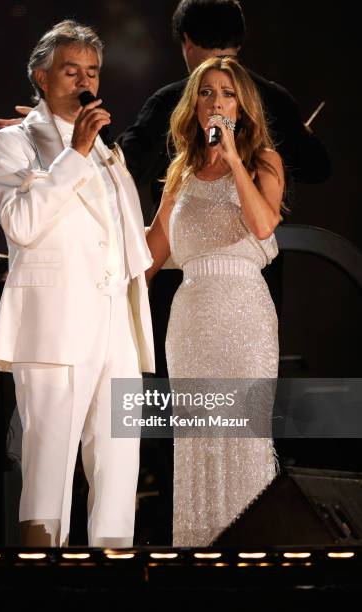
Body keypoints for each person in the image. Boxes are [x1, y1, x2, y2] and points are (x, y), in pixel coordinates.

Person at [0, 19, 155, 548]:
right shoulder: (10, 143)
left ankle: (113, 581)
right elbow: (23, 224)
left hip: (116, 328)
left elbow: (130, 244)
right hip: (55, 329)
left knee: (119, 469)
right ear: (41, 75)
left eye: (93, 72)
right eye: (70, 70)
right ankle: (39, 586)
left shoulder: (110, 154)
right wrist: (74, 152)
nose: (84, 81)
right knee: (48, 470)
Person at [145, 55, 284, 546]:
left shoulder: (262, 161)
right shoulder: (179, 172)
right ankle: (199, 560)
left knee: (243, 436)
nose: (216, 102)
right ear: (194, 104)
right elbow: (149, 257)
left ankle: (254, 553)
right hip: (190, 319)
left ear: (241, 106)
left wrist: (231, 161)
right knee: (199, 442)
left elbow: (264, 225)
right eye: (207, 93)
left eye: (227, 93)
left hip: (244, 312)